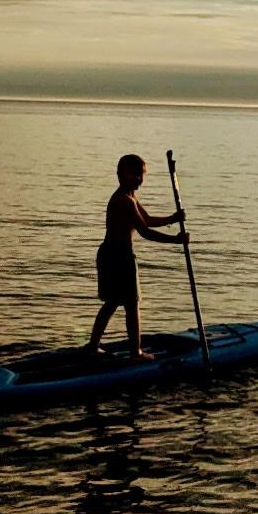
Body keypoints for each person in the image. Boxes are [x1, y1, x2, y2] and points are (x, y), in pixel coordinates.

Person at [86, 153, 186, 360]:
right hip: (118, 255)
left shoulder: (131, 196)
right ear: (121, 175)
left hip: (112, 253)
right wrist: (176, 241)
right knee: (130, 303)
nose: (138, 179)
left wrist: (172, 218)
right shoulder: (123, 200)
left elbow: (146, 220)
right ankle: (135, 352)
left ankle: (93, 346)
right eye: (134, 175)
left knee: (113, 302)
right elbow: (145, 232)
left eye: (141, 175)